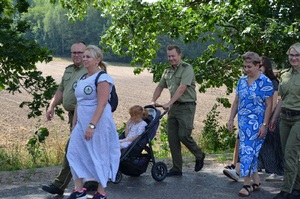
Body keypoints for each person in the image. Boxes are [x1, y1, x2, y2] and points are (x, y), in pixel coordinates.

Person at [66, 45, 120, 199]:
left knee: (100, 154)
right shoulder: (83, 78)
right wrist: (74, 124)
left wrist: (92, 125)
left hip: (98, 124)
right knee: (74, 153)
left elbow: (102, 104)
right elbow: (79, 103)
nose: (84, 59)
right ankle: (79, 190)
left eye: (88, 57)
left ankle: (101, 191)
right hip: (81, 123)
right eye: (84, 56)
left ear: (98, 60)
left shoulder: (102, 78)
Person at [151, 44, 205, 177]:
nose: (171, 58)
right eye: (169, 56)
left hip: (186, 106)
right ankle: (177, 168)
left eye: (173, 56)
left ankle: (199, 155)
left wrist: (169, 102)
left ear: (179, 55)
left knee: (183, 135)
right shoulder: (167, 71)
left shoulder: (187, 68)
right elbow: (160, 86)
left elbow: (182, 88)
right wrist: (153, 101)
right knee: (172, 138)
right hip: (174, 107)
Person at [42, 41, 88, 195]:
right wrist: (52, 106)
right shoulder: (69, 70)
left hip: (84, 117)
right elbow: (61, 90)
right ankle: (91, 182)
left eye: (80, 53)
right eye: (74, 52)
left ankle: (60, 185)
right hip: (72, 117)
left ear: (86, 53)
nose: (76, 55)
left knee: (72, 150)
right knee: (80, 151)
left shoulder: (90, 70)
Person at [227, 51, 274, 197]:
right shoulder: (241, 81)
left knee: (246, 152)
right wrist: (230, 119)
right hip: (243, 123)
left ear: (258, 65)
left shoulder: (265, 82)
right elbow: (236, 101)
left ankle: (246, 185)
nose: (246, 70)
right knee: (250, 152)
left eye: (249, 67)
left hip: (258, 124)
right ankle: (256, 181)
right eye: (244, 67)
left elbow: (269, 106)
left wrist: (264, 125)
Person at [270, 43, 300, 199]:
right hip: (285, 118)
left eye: (297, 55)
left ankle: (286, 190)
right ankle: (297, 188)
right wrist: (274, 118)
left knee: (290, 153)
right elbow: (282, 99)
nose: (294, 58)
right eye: (291, 55)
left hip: (299, 119)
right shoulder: (285, 75)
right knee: (288, 154)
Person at [258, 56, 284, 181]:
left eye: (260, 65)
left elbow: (273, 103)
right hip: (263, 117)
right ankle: (263, 167)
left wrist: (268, 119)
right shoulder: (258, 81)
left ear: (266, 67)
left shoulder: (273, 82)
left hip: (272, 117)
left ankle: (278, 172)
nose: (258, 67)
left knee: (274, 146)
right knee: (264, 145)